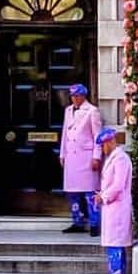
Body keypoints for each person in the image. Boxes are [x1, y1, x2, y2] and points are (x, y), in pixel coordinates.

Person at [94, 127, 133, 274]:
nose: (102, 149)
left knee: (114, 250)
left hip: (117, 209)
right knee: (116, 247)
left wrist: (103, 196)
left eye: (103, 145)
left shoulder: (121, 159)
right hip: (113, 209)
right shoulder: (114, 158)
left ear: (110, 142)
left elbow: (118, 185)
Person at [59, 82, 102, 235]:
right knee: (72, 192)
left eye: (77, 96)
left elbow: (97, 136)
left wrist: (97, 156)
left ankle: (95, 223)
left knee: (90, 192)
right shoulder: (68, 111)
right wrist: (62, 153)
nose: (74, 99)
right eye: (72, 96)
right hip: (71, 156)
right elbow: (65, 133)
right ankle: (77, 221)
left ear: (83, 96)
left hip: (86, 157)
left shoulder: (92, 111)